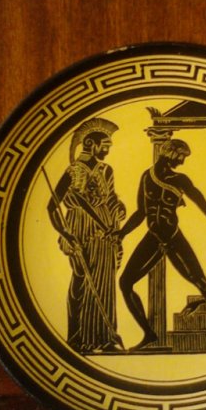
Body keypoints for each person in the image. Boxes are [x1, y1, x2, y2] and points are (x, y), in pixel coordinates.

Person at [117, 138, 206, 350]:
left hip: (173, 237)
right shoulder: (146, 176)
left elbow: (205, 207)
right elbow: (141, 212)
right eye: (181, 156)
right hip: (153, 238)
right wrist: (121, 234)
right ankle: (149, 334)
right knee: (125, 282)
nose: (182, 161)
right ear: (170, 153)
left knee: (201, 282)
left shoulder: (181, 180)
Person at [47, 118, 126, 354]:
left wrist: (119, 208)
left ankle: (105, 339)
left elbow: (111, 198)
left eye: (109, 146)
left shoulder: (106, 170)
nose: (107, 151)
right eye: (105, 146)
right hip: (79, 229)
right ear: (90, 144)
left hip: (105, 229)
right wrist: (66, 234)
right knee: (82, 280)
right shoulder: (73, 171)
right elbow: (52, 206)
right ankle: (77, 339)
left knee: (105, 283)